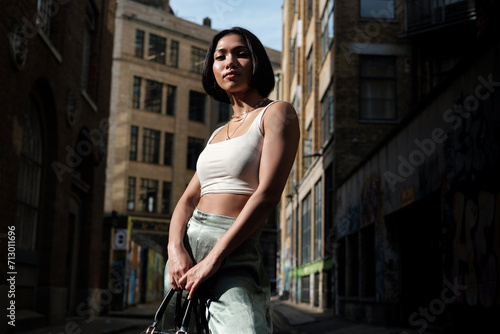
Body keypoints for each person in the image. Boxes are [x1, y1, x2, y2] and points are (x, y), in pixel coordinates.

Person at [163, 27, 299, 334]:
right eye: (220, 56)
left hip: (233, 255)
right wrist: (175, 249)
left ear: (257, 62)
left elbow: (266, 195)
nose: (230, 62)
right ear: (212, 69)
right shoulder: (215, 134)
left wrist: (212, 260)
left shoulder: (277, 113)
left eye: (241, 53)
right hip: (185, 256)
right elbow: (187, 200)